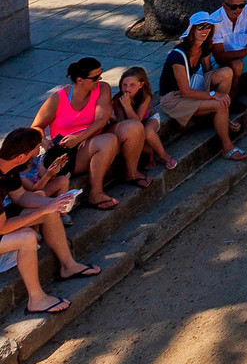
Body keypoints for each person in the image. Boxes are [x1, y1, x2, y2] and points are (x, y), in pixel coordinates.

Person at [0, 128, 100, 313]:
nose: (38, 154)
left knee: (49, 212)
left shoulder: (8, 167)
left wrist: (53, 203)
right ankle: (36, 299)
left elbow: (21, 197)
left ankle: (68, 265)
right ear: (21, 157)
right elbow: (3, 228)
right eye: (35, 151)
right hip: (1, 226)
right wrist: (44, 208)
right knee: (27, 237)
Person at [31, 58, 124, 210]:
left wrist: (80, 137)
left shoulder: (102, 88)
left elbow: (102, 119)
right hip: (68, 152)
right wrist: (44, 141)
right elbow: (35, 127)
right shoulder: (57, 98)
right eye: (95, 77)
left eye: (100, 74)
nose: (99, 79)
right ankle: (95, 193)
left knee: (131, 128)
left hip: (88, 141)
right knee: (108, 140)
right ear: (80, 80)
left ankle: (132, 173)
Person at [158, 20, 246, 158]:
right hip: (173, 98)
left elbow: (207, 72)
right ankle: (227, 147)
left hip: (193, 84)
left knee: (227, 73)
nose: (205, 31)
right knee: (220, 104)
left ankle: (219, 116)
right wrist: (213, 95)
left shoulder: (203, 47)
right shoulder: (177, 56)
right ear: (192, 30)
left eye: (208, 28)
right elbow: (185, 91)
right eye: (200, 28)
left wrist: (212, 92)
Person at [110, 67, 174, 182]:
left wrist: (128, 107)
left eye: (132, 85)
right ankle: (150, 154)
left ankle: (163, 155)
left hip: (149, 119)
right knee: (134, 136)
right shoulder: (117, 100)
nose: (127, 89)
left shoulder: (146, 96)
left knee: (148, 132)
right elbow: (123, 122)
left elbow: (138, 120)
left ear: (141, 85)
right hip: (131, 125)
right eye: (124, 85)